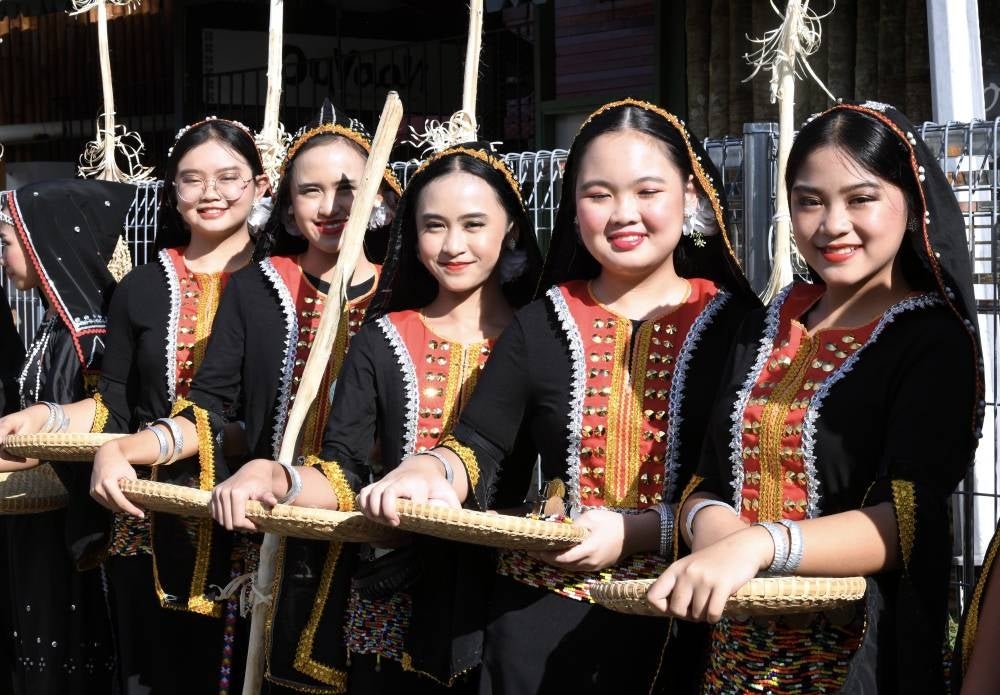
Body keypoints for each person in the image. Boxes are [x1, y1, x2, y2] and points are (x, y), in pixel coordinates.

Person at [357, 98, 759, 694]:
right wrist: (431, 468)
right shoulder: (543, 319)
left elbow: (742, 478)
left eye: (647, 191)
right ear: (573, 209)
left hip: (687, 608)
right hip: (538, 611)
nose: (623, 214)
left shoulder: (742, 326)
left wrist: (639, 531)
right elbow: (481, 442)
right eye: (599, 195)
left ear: (693, 197)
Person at [647, 101, 983, 694]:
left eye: (860, 199)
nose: (831, 225)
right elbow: (707, 480)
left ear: (912, 203)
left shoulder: (931, 340)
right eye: (810, 201)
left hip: (856, 661)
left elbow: (908, 521)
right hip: (728, 655)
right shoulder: (764, 323)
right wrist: (716, 531)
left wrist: (761, 545)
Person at [88, 100, 401, 693]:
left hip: (384, 546)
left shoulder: (406, 295)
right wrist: (127, 448)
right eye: (310, 190)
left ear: (381, 197)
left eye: (347, 188)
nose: (331, 206)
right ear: (284, 202)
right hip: (274, 535)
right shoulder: (261, 285)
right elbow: (209, 409)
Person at [211, 138, 544, 693]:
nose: (453, 244)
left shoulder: (544, 338)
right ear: (411, 237)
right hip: (393, 598)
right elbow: (343, 471)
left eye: (474, 224)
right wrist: (276, 477)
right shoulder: (383, 338)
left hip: (508, 595)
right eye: (434, 225)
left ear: (510, 229)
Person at [0, 117, 268, 692]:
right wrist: (45, 417)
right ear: (172, 191)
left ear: (262, 186)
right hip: (147, 521)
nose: (210, 193)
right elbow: (111, 411)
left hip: (257, 525)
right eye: (192, 180)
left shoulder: (284, 284)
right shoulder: (143, 287)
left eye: (229, 177)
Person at [0, 178, 136, 694]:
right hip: (38, 525)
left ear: (44, 241)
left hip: (70, 526)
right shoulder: (58, 327)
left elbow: (97, 427)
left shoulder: (93, 337)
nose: (3, 255)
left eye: (7, 242)